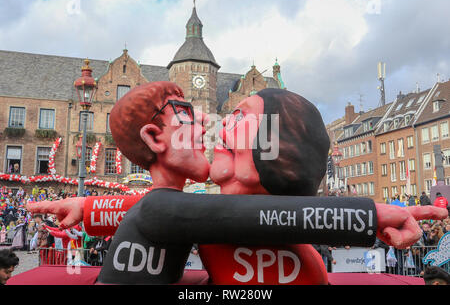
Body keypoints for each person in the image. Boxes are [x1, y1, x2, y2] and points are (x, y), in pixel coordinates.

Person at [28, 83, 448, 285]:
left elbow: (261, 217)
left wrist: (375, 214)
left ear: (280, 145)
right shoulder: (196, 217)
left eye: (241, 115)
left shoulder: (212, 219)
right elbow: (185, 213)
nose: (218, 125)